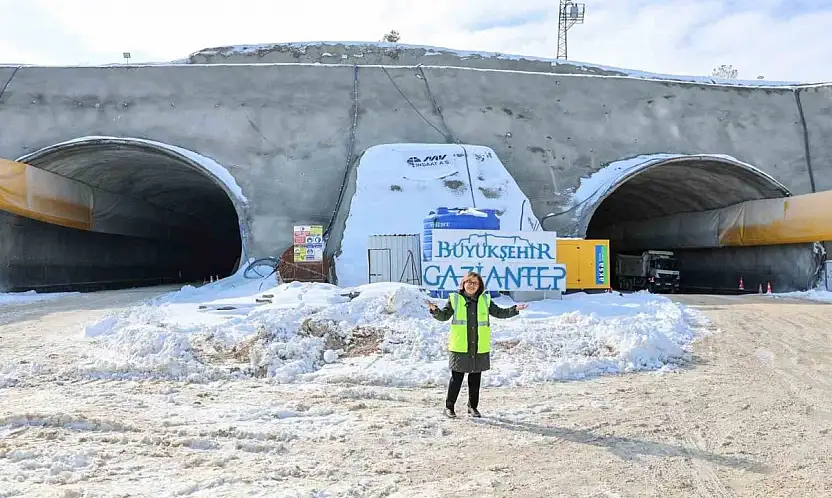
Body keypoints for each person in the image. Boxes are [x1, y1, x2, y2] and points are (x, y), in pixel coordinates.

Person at [427, 271, 528, 418]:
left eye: (475, 283)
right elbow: (444, 316)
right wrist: (435, 310)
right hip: (460, 346)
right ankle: (449, 407)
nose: (472, 285)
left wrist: (514, 309)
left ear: (479, 285)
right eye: (469, 282)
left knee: (475, 379)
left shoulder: (485, 300)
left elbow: (499, 312)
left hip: (479, 346)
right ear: (463, 284)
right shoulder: (454, 299)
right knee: (456, 378)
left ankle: (472, 407)